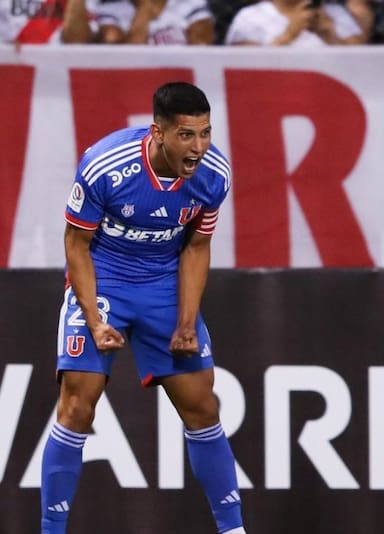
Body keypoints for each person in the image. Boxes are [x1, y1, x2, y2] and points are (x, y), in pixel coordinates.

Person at [41, 82, 245, 534]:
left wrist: (187, 322)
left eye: (205, 133)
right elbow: (77, 244)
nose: (198, 148)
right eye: (186, 135)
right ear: (158, 132)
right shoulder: (105, 165)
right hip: (105, 279)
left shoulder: (214, 175)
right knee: (77, 405)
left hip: (163, 284)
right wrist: (95, 320)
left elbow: (197, 247)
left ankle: (233, 529)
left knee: (202, 406)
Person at [225, 0, 365, 46]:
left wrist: (330, 37)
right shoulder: (250, 16)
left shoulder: (337, 13)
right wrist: (289, 35)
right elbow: (241, 68)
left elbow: (362, 64)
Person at [93, 0, 215, 44]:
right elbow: (128, 58)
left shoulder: (191, 4)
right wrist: (145, 9)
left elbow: (201, 46)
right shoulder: (110, 11)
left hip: (181, 83)